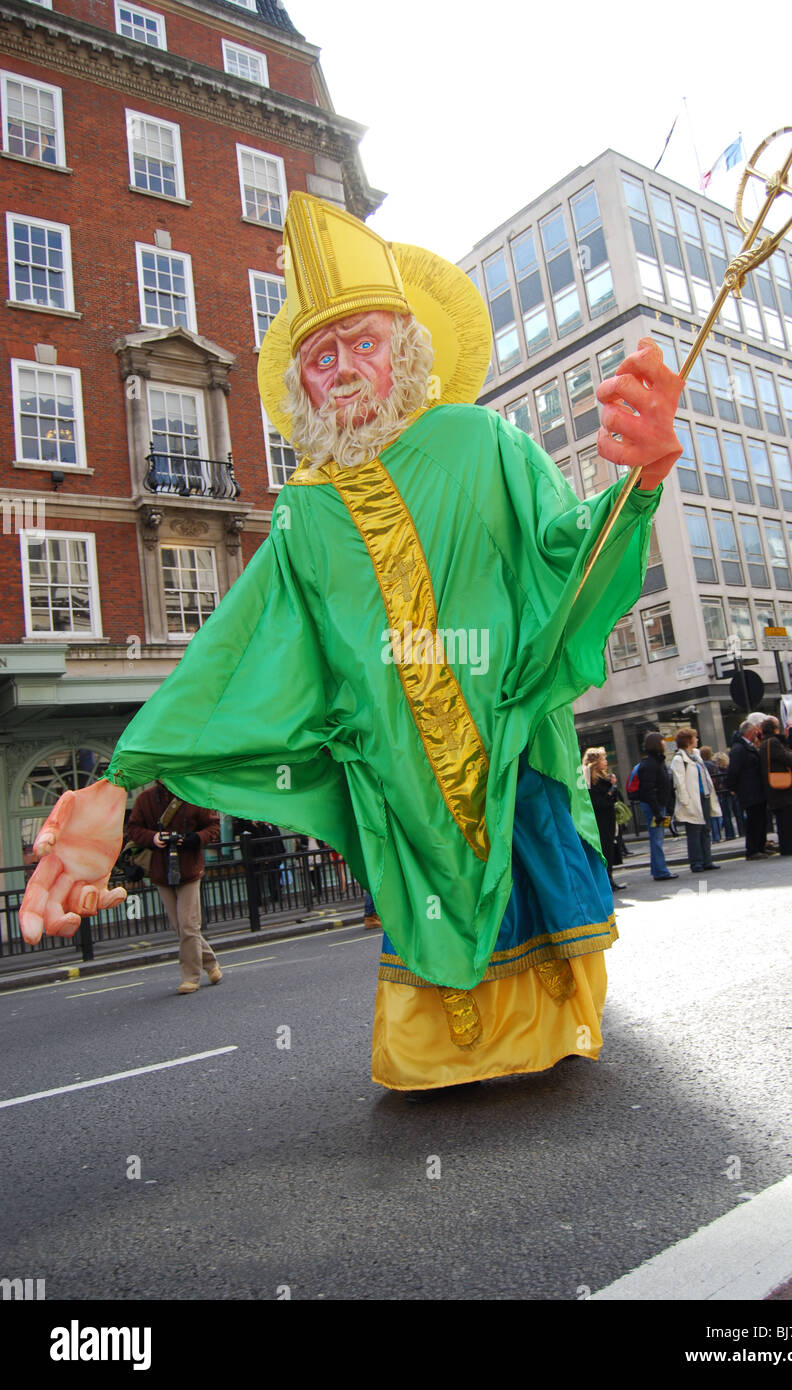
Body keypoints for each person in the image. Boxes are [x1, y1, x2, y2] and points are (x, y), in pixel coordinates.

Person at [18, 191, 684, 1092]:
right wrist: (123, 778)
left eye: (362, 343)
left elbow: (565, 552)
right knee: (425, 920)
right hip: (393, 779)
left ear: (406, 349)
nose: (341, 368)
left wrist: (636, 486)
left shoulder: (477, 437)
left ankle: (543, 1029)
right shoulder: (306, 510)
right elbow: (233, 649)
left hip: (505, 748)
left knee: (523, 875)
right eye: (320, 354)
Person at [127, 781, 221, 993]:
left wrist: (195, 839)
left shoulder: (194, 794)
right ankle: (211, 964)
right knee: (179, 926)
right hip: (161, 871)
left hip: (188, 869)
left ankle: (190, 977)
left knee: (188, 924)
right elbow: (133, 829)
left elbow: (213, 826)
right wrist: (153, 837)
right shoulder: (145, 799)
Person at [670, 729, 721, 873]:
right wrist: (685, 801)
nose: (697, 739)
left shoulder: (696, 755)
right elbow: (679, 783)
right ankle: (696, 862)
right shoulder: (679, 759)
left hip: (703, 797)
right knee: (694, 832)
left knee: (705, 830)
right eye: (695, 737)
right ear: (688, 741)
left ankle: (707, 860)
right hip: (691, 800)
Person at [758, 716, 792, 855]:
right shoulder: (773, 742)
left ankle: (788, 847)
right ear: (774, 729)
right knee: (788, 819)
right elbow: (786, 757)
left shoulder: (765, 743)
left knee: (783, 819)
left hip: (773, 787)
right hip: (782, 788)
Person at [726, 719, 771, 860]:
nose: (757, 733)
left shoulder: (748, 746)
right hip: (749, 790)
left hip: (756, 788)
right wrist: (732, 787)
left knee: (761, 819)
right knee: (754, 820)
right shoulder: (739, 748)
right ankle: (752, 850)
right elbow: (734, 770)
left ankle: (760, 847)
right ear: (750, 732)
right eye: (755, 731)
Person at [636, 730, 678, 881]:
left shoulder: (657, 761)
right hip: (655, 807)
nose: (665, 743)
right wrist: (658, 812)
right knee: (657, 838)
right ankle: (661, 871)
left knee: (658, 837)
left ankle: (658, 870)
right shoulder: (650, 764)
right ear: (656, 744)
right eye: (662, 741)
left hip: (659, 806)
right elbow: (648, 789)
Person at [582, 747, 625, 892]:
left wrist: (612, 789)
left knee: (610, 849)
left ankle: (610, 879)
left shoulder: (603, 777)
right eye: (603, 759)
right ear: (595, 762)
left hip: (609, 819)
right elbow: (596, 802)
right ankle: (606, 881)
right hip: (600, 821)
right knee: (605, 850)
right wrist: (610, 792)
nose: (606, 762)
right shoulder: (589, 778)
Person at [698, 744, 724, 841]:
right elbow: (719, 778)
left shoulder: (701, 764)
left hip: (705, 792)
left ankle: (714, 837)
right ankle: (717, 836)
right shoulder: (712, 765)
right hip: (715, 791)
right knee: (717, 814)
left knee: (709, 815)